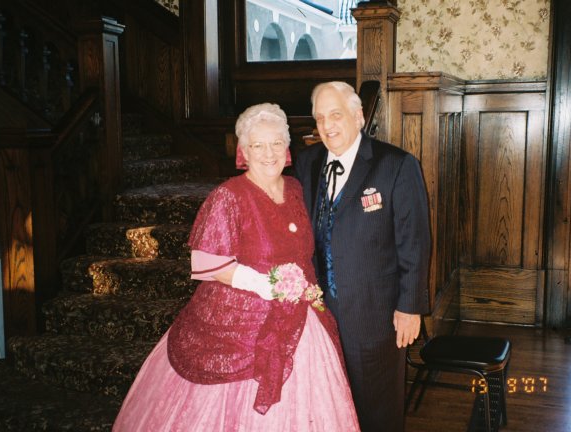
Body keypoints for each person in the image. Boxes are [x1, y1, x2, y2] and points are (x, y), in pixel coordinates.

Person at [113, 103, 360, 431]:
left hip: (303, 315)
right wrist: (264, 285)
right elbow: (205, 262)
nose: (269, 153)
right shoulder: (228, 195)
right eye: (258, 145)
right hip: (242, 320)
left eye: (276, 143)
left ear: (287, 148)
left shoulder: (297, 189)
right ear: (244, 151)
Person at [295, 81, 431, 432]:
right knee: (330, 405)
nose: (327, 125)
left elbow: (414, 241)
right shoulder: (307, 162)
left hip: (375, 315)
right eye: (320, 118)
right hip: (320, 315)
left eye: (336, 114)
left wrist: (410, 307)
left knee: (377, 409)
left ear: (358, 116)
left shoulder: (396, 165)